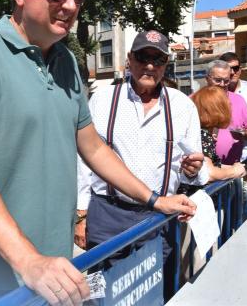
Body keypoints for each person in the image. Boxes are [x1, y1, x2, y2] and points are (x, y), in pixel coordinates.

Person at [0, 0, 196, 306]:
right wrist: (29, 261)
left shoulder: (66, 63)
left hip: (58, 269)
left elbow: (93, 148)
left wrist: (155, 201)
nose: (71, 5)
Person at [76, 30, 205, 300]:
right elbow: (84, 159)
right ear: (129, 60)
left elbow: (192, 168)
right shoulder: (102, 99)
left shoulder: (183, 106)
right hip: (107, 215)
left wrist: (191, 170)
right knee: (103, 294)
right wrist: (81, 215)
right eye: (142, 57)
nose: (149, 65)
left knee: (154, 292)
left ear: (166, 65)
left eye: (157, 60)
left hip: (158, 219)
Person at [202, 60, 247, 165]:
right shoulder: (195, 100)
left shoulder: (238, 100)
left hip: (233, 167)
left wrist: (245, 132)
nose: (222, 84)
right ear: (207, 79)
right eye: (218, 80)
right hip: (205, 168)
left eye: (226, 81)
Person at [190, 86, 247, 180]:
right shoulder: (202, 136)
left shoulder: (200, 133)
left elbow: (213, 165)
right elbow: (209, 173)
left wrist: (243, 169)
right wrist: (233, 171)